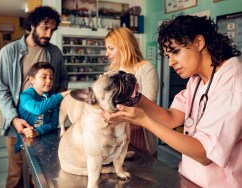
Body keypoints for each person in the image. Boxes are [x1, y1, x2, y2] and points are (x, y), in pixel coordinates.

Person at [101, 15, 242, 187]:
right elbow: (171, 118)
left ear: (198, 43)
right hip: (189, 178)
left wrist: (143, 120)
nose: (171, 63)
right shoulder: (196, 80)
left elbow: (205, 153)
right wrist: (133, 95)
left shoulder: (233, 82)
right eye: (168, 55)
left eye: (175, 52)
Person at [0, 6, 68, 188]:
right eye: (45, 27)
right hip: (17, 126)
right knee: (16, 174)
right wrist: (14, 119)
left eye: (52, 29)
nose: (49, 33)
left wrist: (54, 99)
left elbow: (63, 79)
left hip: (46, 126)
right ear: (32, 25)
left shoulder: (55, 52)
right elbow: (1, 89)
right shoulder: (9, 52)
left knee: (42, 174)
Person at [104, 27, 159, 156]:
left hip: (140, 133)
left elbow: (149, 104)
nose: (107, 53)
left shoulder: (146, 68)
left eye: (111, 48)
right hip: (116, 136)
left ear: (124, 47)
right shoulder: (112, 72)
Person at [14, 62, 70, 153]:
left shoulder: (52, 97)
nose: (49, 81)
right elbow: (37, 109)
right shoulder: (25, 96)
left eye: (51, 78)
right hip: (25, 143)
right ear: (32, 79)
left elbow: (53, 123)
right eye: (44, 77)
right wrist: (60, 95)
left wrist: (37, 132)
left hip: (44, 141)